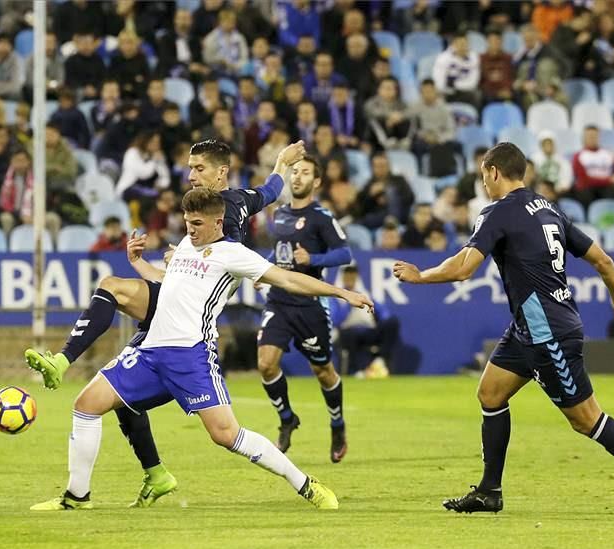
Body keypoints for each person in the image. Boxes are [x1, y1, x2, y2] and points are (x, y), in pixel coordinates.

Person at [29, 187, 373, 511]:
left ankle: (304, 483)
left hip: (191, 356)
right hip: (150, 353)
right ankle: (77, 497)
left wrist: (341, 292)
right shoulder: (185, 246)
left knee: (226, 435)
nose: (190, 229)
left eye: (197, 223)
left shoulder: (233, 254)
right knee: (86, 405)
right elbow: (173, 285)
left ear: (217, 222)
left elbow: (288, 279)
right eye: (186, 221)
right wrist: (139, 266)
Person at [392, 141, 614, 518]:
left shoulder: (497, 212)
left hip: (547, 333)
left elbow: (464, 268)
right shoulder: (549, 209)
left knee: (587, 419)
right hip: (528, 327)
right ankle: (489, 491)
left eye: (483, 175)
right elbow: (603, 259)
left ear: (494, 171)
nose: (483, 184)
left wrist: (421, 277)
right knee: (491, 393)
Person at [24, 139, 306, 507]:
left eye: (199, 168)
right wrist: (282, 163)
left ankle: (61, 362)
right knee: (119, 397)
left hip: (193, 307)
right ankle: (154, 474)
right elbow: (270, 190)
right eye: (189, 167)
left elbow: (254, 222)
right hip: (177, 299)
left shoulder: (231, 206)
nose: (190, 175)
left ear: (221, 172)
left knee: (112, 288)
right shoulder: (220, 205)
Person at [257, 156, 353, 462]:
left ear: (317, 182)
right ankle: (287, 419)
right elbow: (278, 251)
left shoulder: (322, 217)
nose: (297, 177)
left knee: (323, 370)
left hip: (309, 304)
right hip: (279, 300)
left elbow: (344, 253)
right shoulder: (280, 214)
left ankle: (337, 425)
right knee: (266, 363)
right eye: (294, 172)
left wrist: (313, 260)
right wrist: (264, 270)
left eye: (305, 173)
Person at [572, 125, 614, 206]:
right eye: (589, 136)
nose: (592, 138)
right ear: (584, 138)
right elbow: (584, 180)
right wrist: (608, 180)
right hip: (588, 188)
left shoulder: (609, 154)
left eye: (594, 136)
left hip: (607, 187)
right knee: (583, 193)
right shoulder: (579, 156)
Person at [432, 32, 481, 108]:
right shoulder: (443, 58)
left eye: (464, 44)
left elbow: (473, 82)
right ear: (453, 44)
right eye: (459, 44)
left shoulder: (474, 58)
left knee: (477, 95)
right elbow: (439, 81)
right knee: (437, 96)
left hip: (464, 91)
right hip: (446, 92)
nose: (462, 47)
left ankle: (474, 118)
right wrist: (446, 89)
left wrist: (454, 85)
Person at [64, 32, 107, 101]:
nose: (86, 46)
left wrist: (95, 89)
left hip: (96, 93)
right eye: (83, 43)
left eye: (88, 43)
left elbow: (103, 78)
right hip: (77, 95)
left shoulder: (99, 60)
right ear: (77, 45)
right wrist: (83, 89)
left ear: (93, 44)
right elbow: (69, 80)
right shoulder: (70, 61)